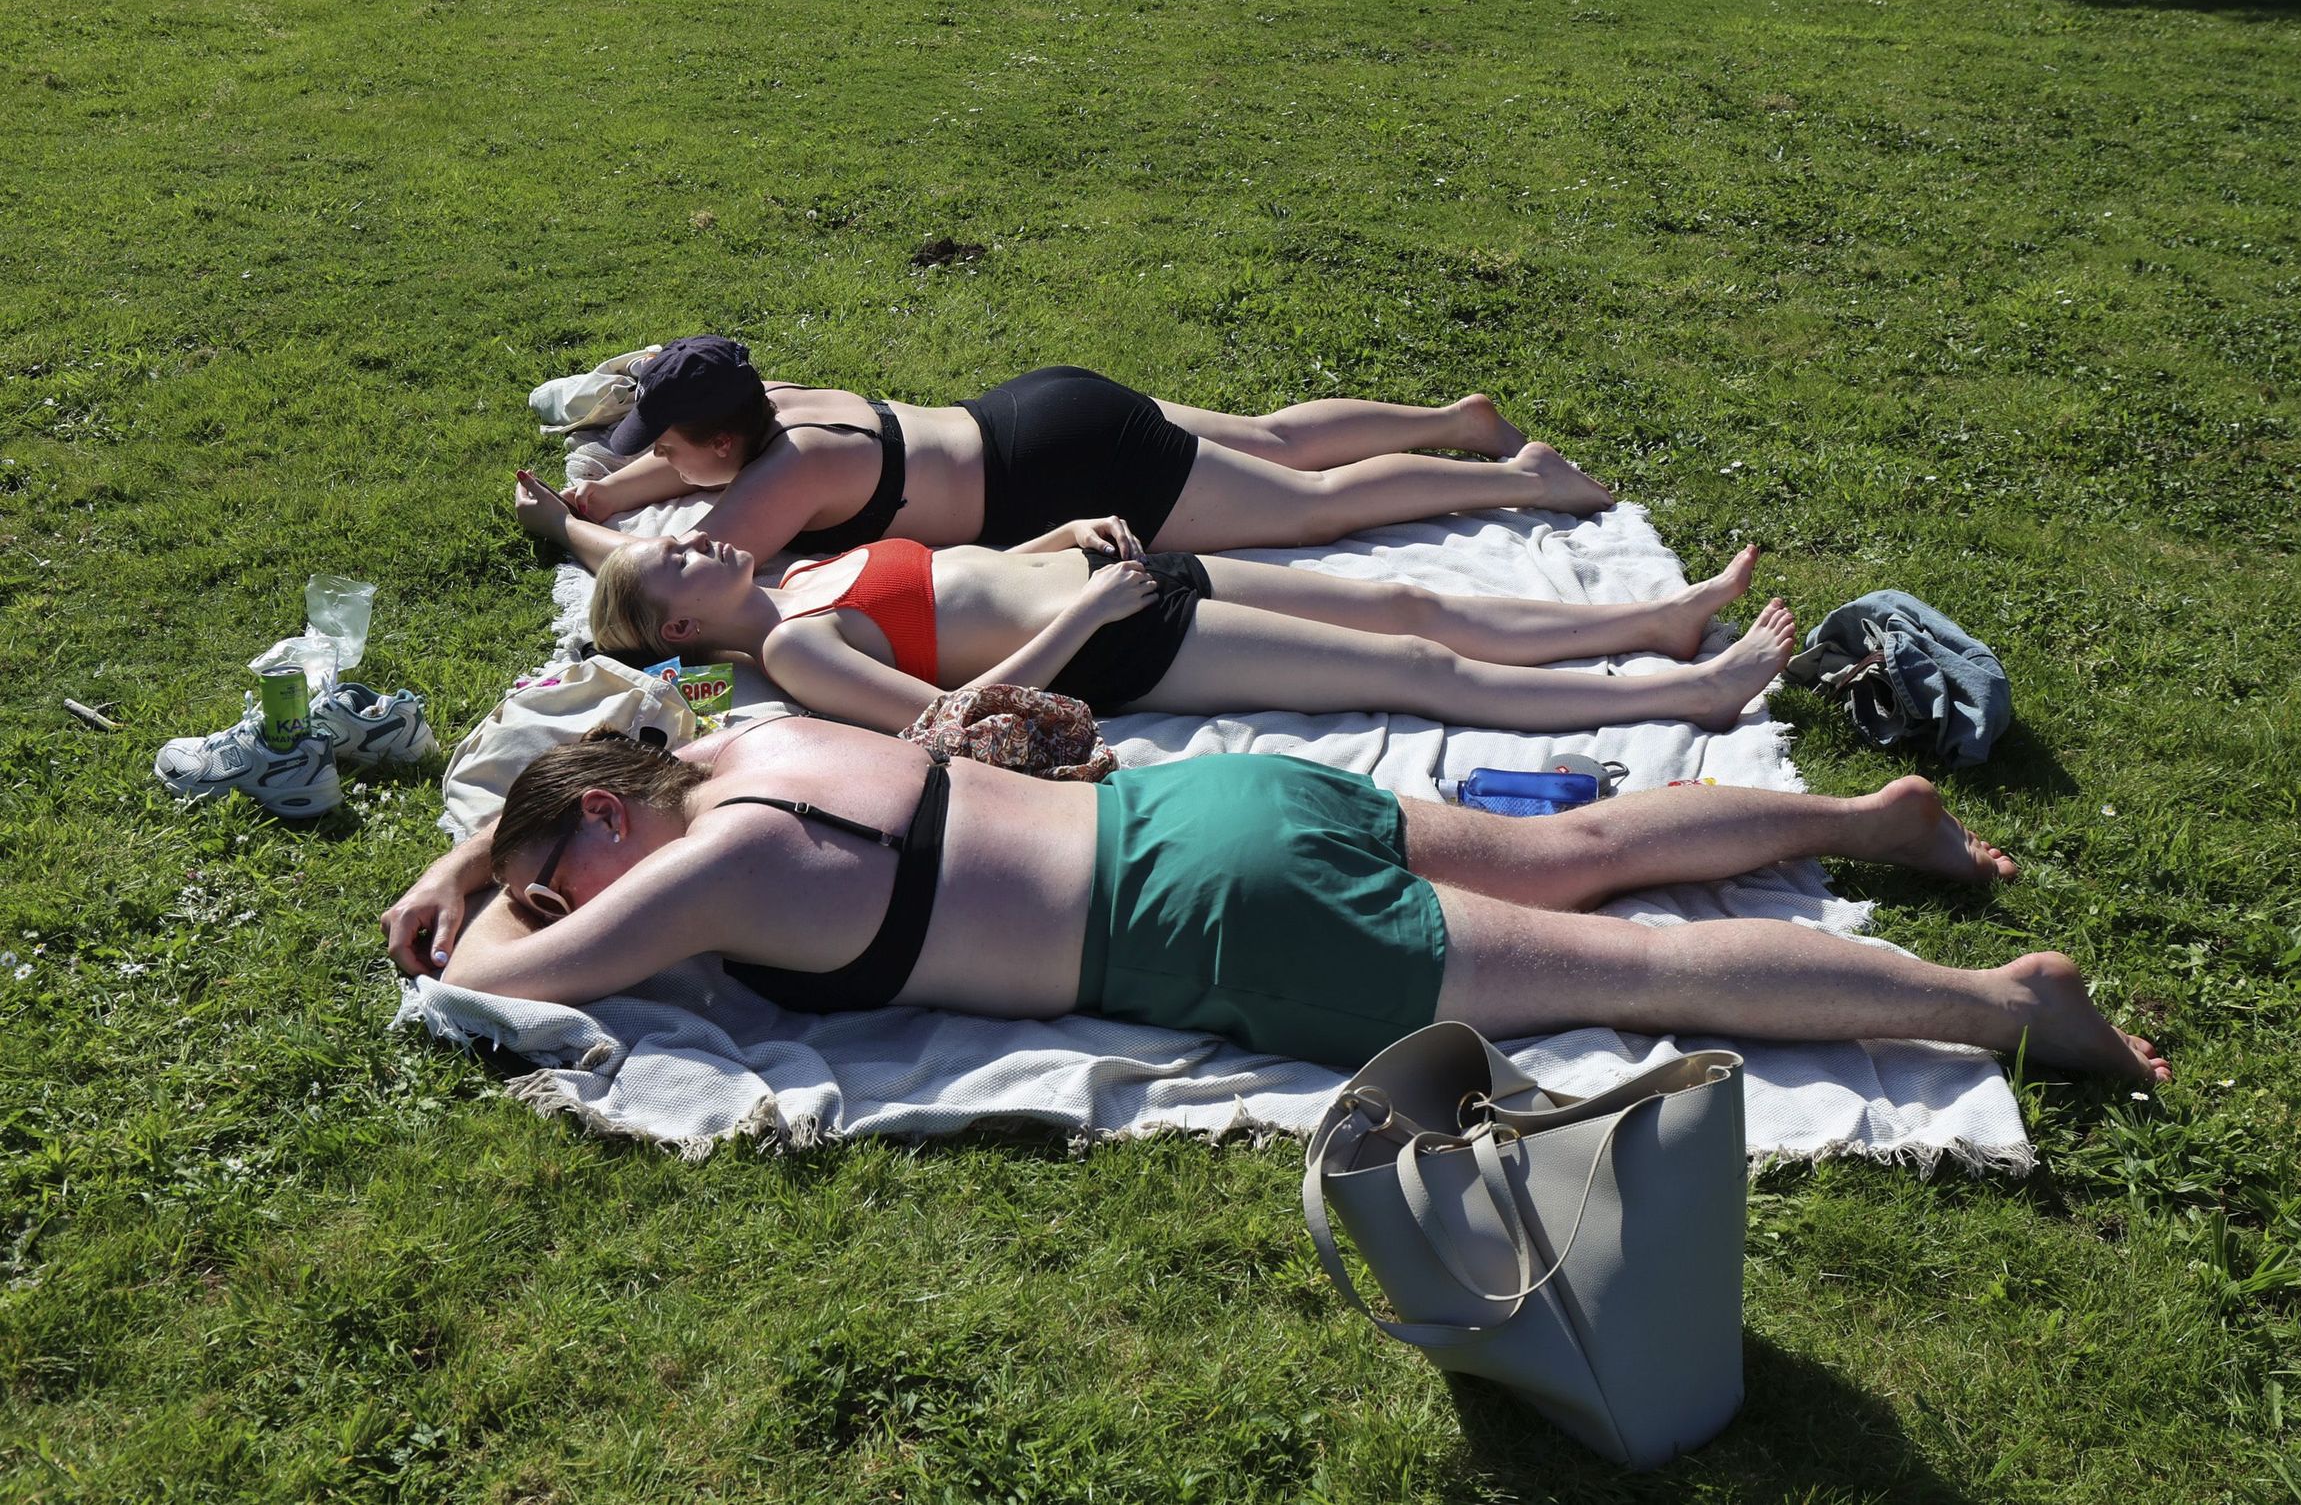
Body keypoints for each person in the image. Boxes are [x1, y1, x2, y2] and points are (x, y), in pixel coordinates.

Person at [381, 716, 2171, 1083]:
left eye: (560, 864)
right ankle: (1873, 817)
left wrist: (485, 894)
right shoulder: (751, 743)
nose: (557, 897)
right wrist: (477, 848)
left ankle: (2002, 1003)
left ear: (608, 818)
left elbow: (515, 982)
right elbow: (589, 788)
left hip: (1220, 919)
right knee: (1582, 849)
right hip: (1216, 797)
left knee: (1637, 972)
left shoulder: (717, 862)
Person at [514, 472, 1796, 734]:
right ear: (681, 628)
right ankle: (1690, 693)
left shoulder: (799, 577)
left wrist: (1059, 541)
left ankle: (1649, 625)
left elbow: (965, 578)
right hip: (1124, 642)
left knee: (1408, 598)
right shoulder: (800, 648)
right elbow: (951, 716)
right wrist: (1093, 612)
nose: (701, 539)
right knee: (1415, 670)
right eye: (679, 561)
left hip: (1118, 580)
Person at [552, 336, 1614, 557]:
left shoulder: (788, 475)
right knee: (1279, 438)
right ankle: (1457, 421)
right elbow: (678, 466)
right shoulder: (780, 403)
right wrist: (610, 491)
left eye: (669, 451)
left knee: (1314, 508)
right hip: (1039, 405)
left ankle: (1524, 478)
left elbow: (674, 579)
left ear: (724, 438)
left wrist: (567, 531)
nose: (660, 466)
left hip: (1063, 470)